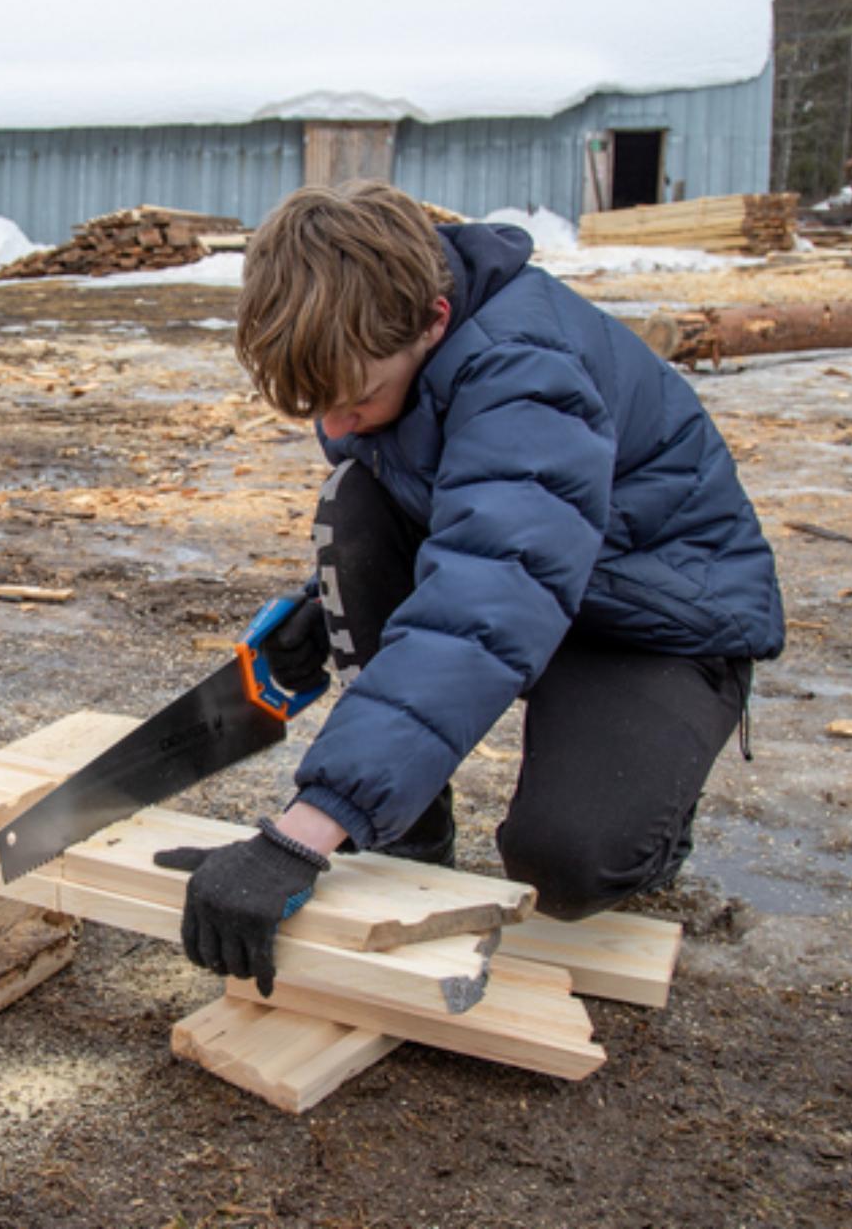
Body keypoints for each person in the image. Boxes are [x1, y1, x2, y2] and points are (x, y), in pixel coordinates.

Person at [156, 181, 784, 997]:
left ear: (434, 322)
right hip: (529, 580)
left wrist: (304, 831)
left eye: (355, 399)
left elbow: (488, 591)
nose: (336, 426)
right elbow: (466, 527)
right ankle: (406, 837)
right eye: (320, 406)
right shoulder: (384, 342)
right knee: (356, 502)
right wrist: (326, 607)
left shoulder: (526, 374)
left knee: (564, 866)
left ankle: (656, 817)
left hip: (651, 619)